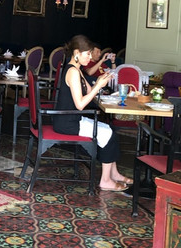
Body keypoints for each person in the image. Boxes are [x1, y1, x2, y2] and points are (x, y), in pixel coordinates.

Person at [53, 34, 132, 192]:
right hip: (68, 123)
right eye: (88, 54)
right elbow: (80, 104)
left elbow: (90, 92)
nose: (90, 57)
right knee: (108, 134)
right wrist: (98, 86)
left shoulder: (77, 70)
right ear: (77, 53)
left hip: (71, 119)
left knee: (110, 130)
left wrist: (101, 81)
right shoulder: (72, 72)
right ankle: (105, 181)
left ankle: (114, 173)